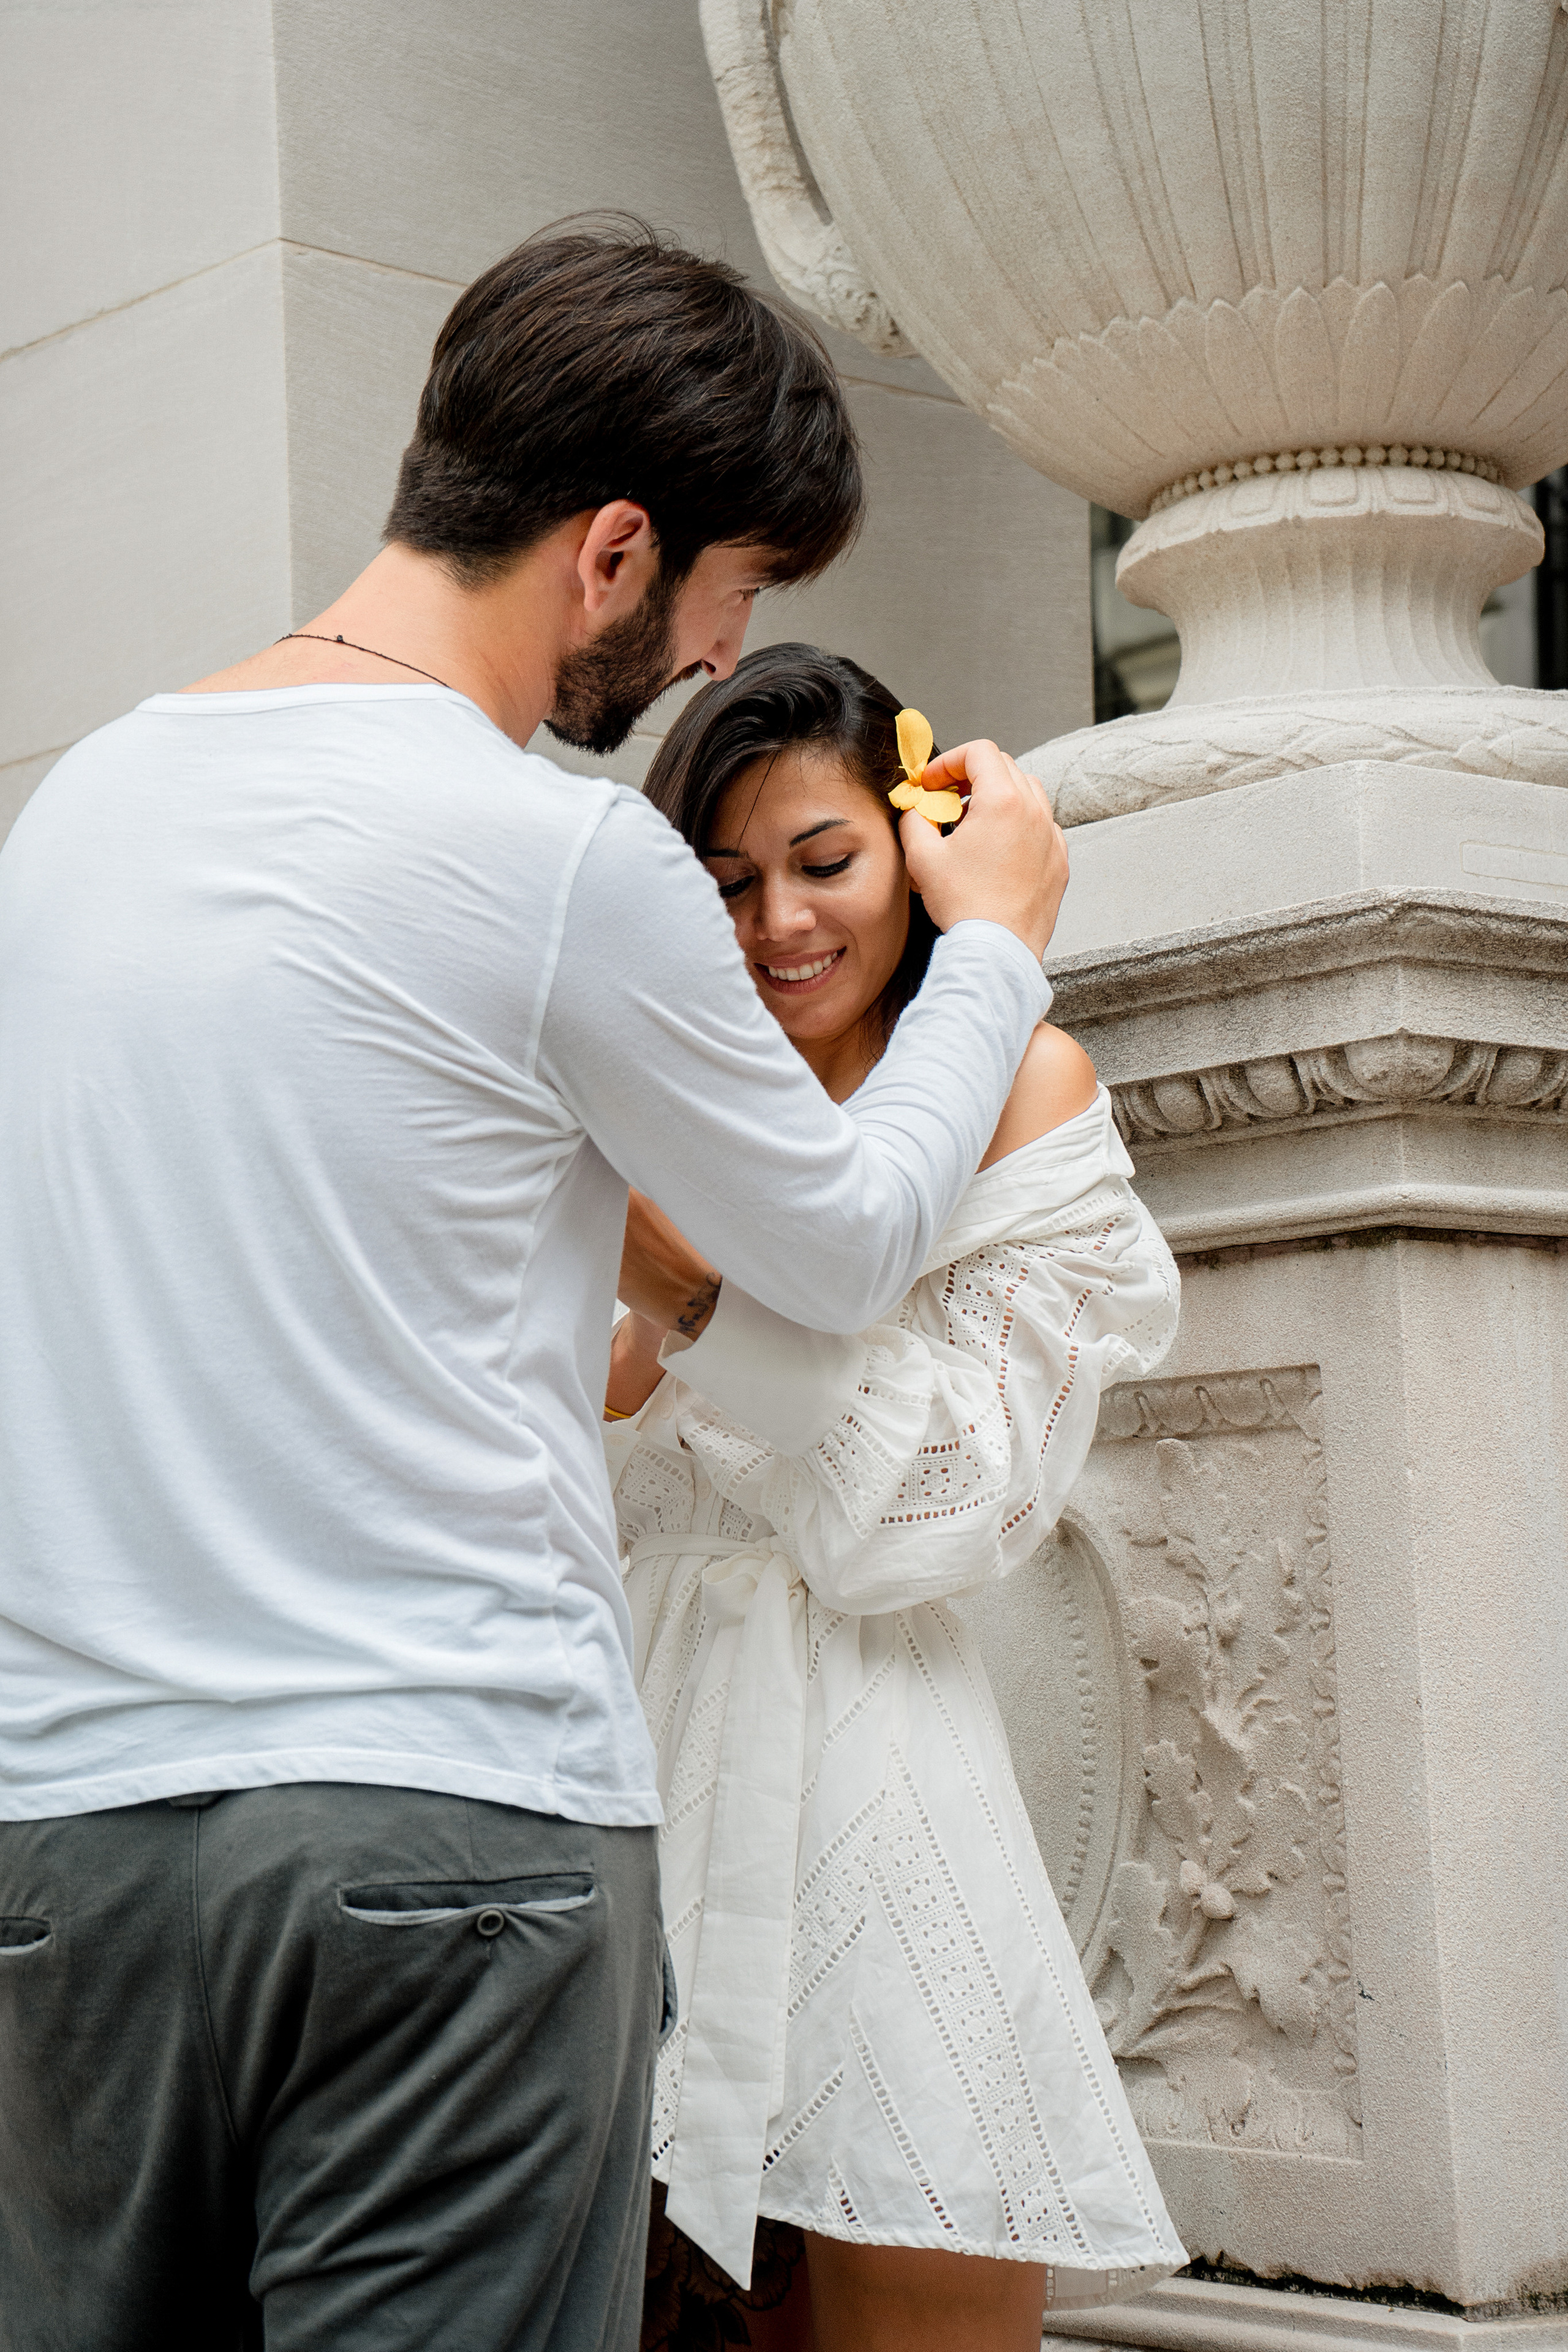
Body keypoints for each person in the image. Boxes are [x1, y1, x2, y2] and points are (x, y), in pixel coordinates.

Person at [0, 224, 1074, 2350]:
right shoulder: (555, 854)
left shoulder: (75, 814)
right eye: (731, 593)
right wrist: (1007, 944)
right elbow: (843, 1236)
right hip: (448, 1843)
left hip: (69, 1845)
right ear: (609, 555)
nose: (711, 657)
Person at [603, 646, 1187, 2352]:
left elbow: (935, 1511)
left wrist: (699, 1318)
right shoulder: (641, 1105)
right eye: (721, 883)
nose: (775, 921)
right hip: (628, 1765)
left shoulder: (1020, 1089)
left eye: (823, 861)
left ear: (920, 853)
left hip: (878, 1788)